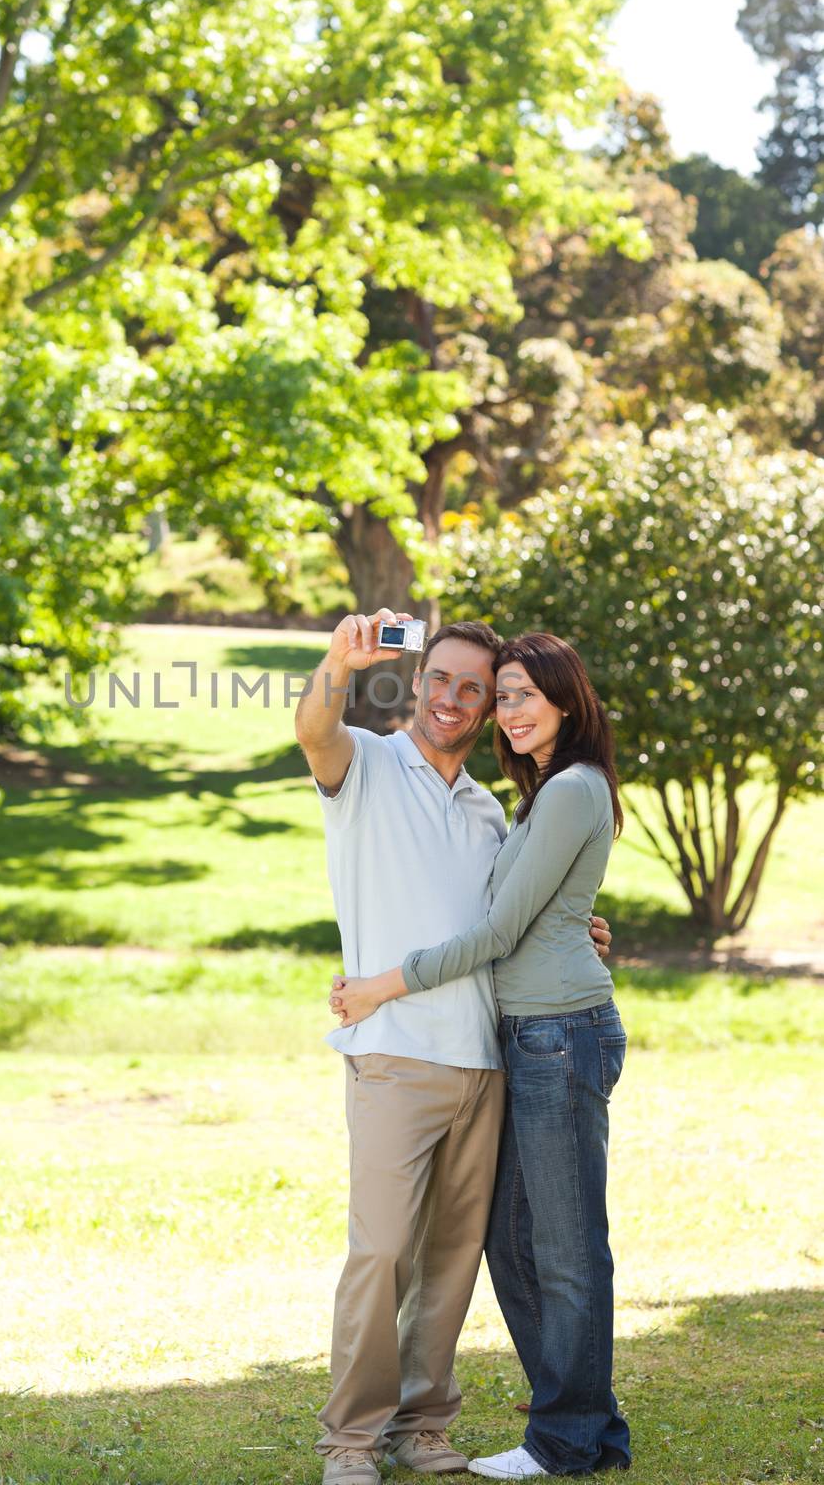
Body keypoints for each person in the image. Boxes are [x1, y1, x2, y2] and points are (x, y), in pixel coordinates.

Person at [296, 612, 611, 1485]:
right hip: (393, 1054)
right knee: (381, 1253)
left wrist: (574, 927)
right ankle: (351, 1442)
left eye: (475, 690)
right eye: (442, 680)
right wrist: (337, 661)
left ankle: (422, 1424)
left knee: (449, 1260)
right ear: (417, 681)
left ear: (484, 712)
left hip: (485, 1062)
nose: (454, 699)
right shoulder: (361, 764)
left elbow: (506, 918)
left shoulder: (489, 812)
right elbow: (311, 730)